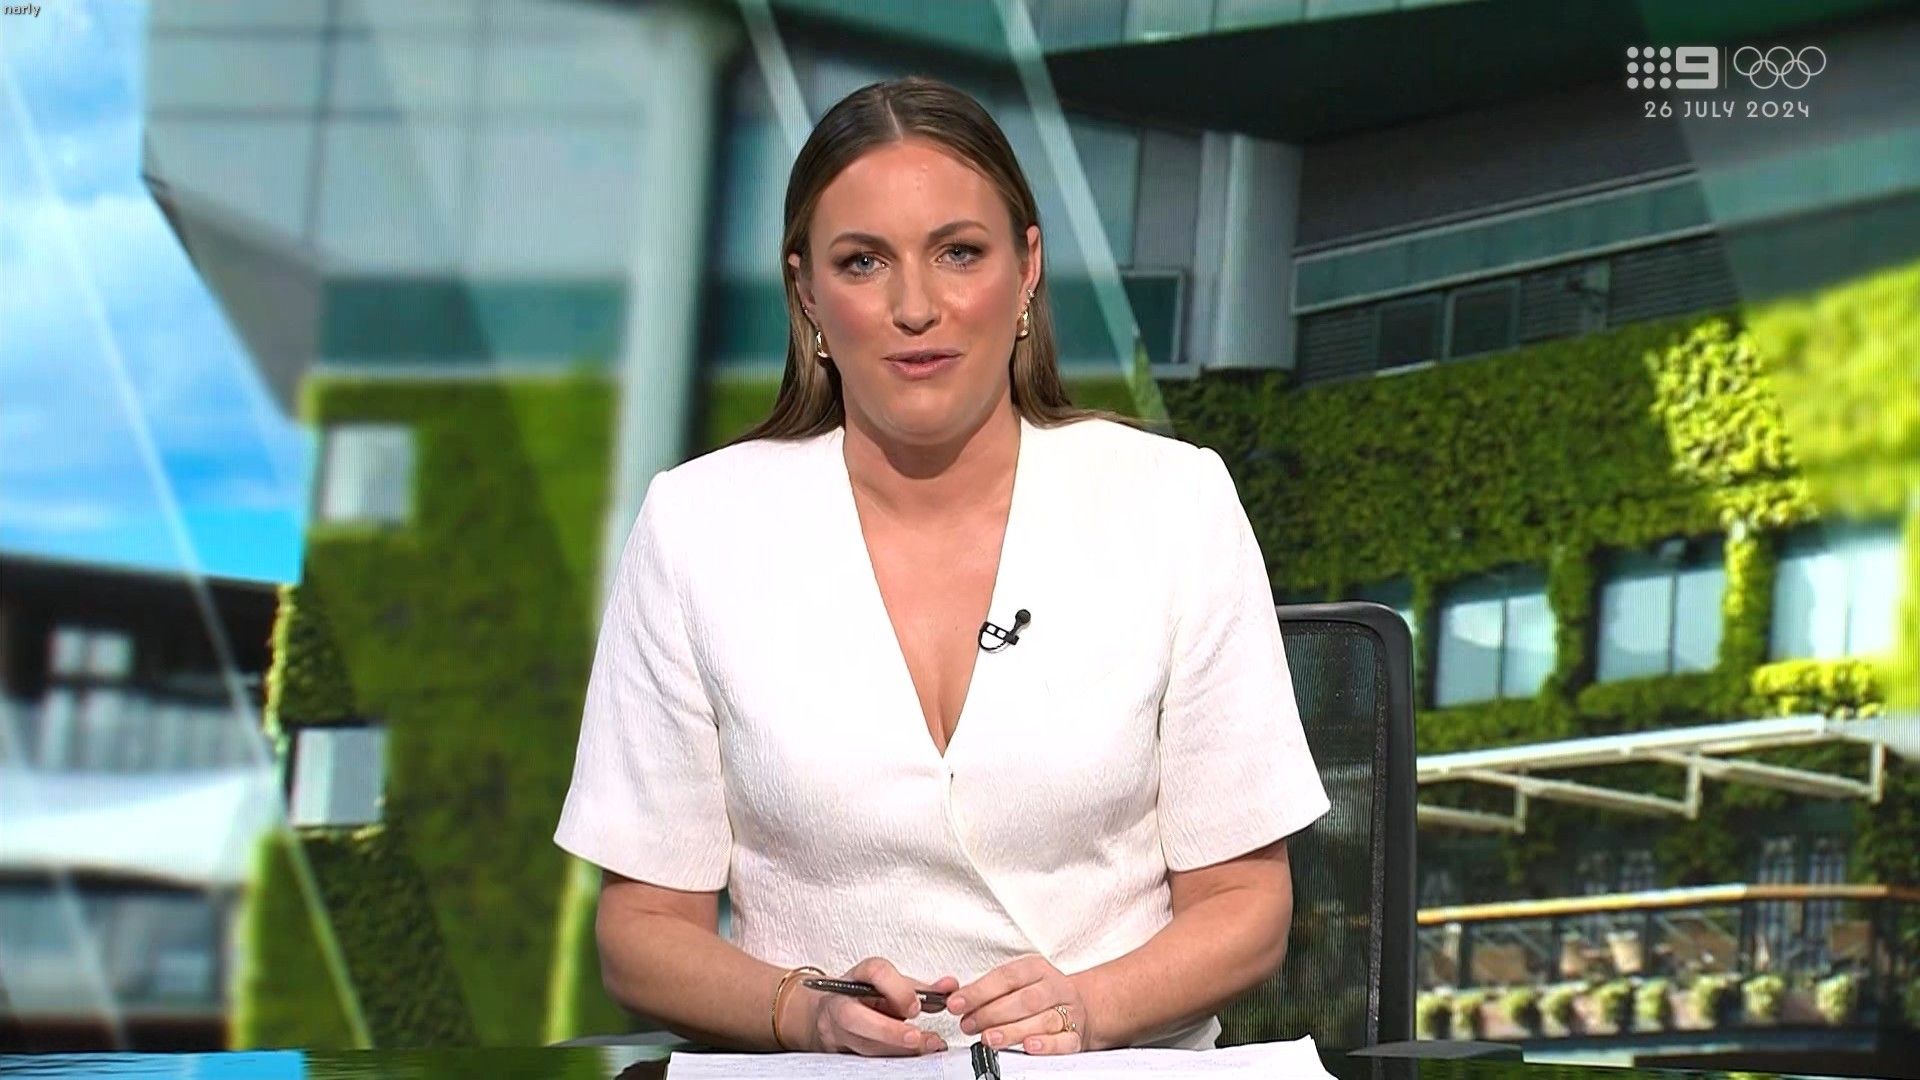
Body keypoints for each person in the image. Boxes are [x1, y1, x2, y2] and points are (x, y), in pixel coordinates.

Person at [554, 74, 1328, 1057]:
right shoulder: (697, 525)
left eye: (959, 252)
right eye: (863, 262)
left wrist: (1088, 1008)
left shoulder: (1174, 502)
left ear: (1027, 269)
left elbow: (1245, 901)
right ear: (807, 292)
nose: (915, 306)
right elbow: (642, 932)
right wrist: (802, 1011)